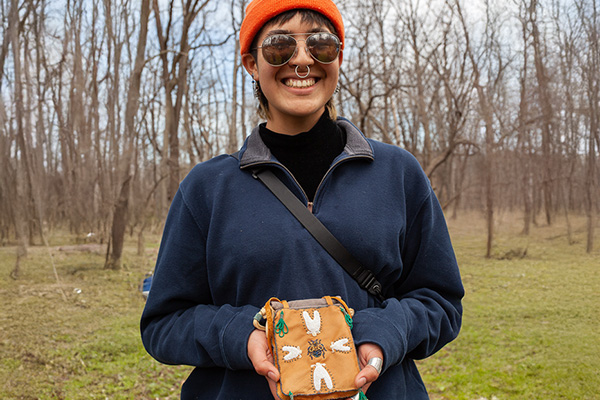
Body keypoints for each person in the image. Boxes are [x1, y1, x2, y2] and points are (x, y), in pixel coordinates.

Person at [140, 0, 464, 399]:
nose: (302, 60)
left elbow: (440, 301)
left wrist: (385, 333)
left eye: (320, 45)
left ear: (338, 58)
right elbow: (164, 323)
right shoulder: (207, 188)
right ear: (251, 64)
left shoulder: (398, 173)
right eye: (279, 47)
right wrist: (242, 336)